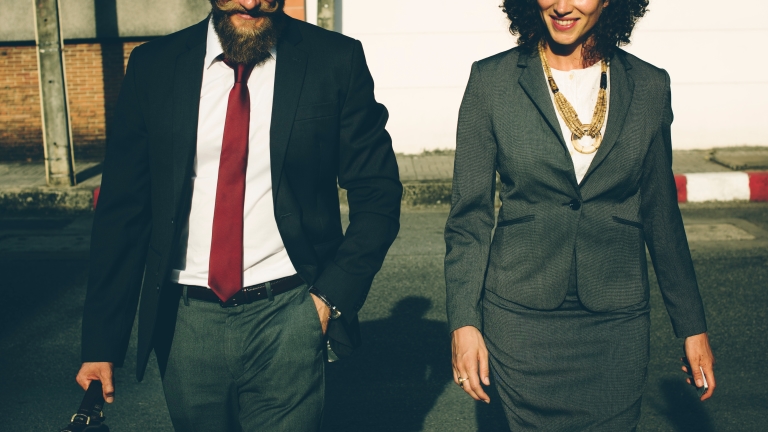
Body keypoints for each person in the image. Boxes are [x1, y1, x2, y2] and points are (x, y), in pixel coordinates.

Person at [75, 0, 402, 430]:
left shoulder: (334, 60)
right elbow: (124, 211)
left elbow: (377, 191)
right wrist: (102, 342)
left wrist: (328, 299)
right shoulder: (154, 65)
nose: (251, 2)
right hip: (185, 322)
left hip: (289, 313)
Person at [444, 0, 716, 430]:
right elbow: (469, 219)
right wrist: (463, 322)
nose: (562, 5)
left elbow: (661, 214)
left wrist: (691, 326)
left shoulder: (648, 85)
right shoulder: (490, 81)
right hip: (520, 320)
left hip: (616, 326)